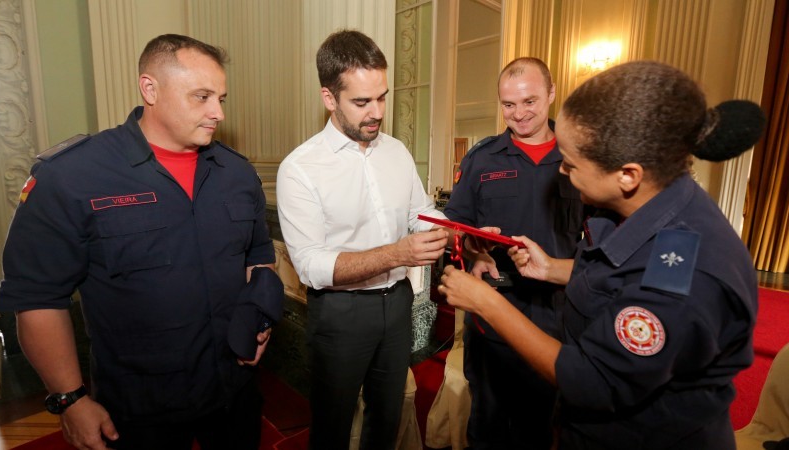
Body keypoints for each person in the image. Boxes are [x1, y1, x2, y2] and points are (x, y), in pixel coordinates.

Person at [438, 60, 765, 449]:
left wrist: (488, 304)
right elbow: (610, 278)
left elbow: (593, 381)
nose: (563, 174)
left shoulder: (679, 269)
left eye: (572, 165)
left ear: (627, 175)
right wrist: (554, 269)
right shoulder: (644, 213)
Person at [0, 34, 282, 450]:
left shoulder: (236, 174)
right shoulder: (72, 177)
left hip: (233, 391)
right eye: (201, 97)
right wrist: (71, 400)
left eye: (221, 97)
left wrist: (260, 321)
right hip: (139, 409)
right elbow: (38, 298)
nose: (217, 112)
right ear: (150, 89)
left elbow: (258, 257)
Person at [276, 29, 449, 450]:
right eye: (361, 102)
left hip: (397, 304)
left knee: (387, 417)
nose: (377, 113)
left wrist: (451, 229)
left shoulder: (397, 151)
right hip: (339, 313)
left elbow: (420, 213)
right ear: (329, 98)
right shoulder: (300, 168)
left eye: (382, 97)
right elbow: (311, 266)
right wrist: (397, 252)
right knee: (332, 426)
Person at [443, 57, 587, 449]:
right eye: (509, 105)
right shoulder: (482, 157)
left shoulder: (581, 159)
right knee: (486, 425)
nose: (519, 114)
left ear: (552, 94)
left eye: (530, 102)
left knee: (540, 430)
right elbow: (453, 228)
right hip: (492, 312)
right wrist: (474, 250)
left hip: (558, 317)